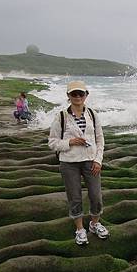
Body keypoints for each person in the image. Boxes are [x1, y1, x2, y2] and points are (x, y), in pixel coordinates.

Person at [48, 81, 108, 245]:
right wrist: (70, 142)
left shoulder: (93, 115)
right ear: (68, 96)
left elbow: (100, 140)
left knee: (96, 196)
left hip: (91, 162)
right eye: (73, 94)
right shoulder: (61, 116)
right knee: (75, 197)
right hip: (69, 163)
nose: (77, 97)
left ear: (86, 95)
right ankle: (80, 229)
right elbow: (52, 143)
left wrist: (98, 160)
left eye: (80, 94)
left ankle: (94, 224)